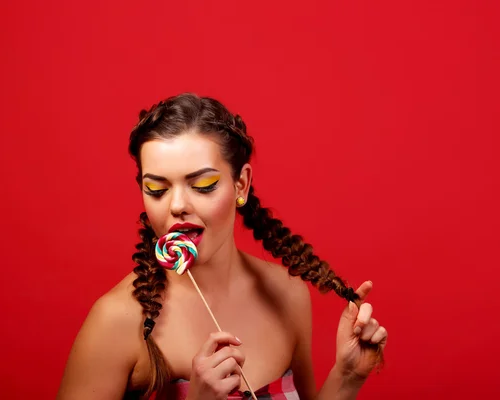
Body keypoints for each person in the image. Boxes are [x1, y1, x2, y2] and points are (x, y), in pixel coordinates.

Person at [56, 93, 388, 400]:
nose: (177, 205)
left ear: (241, 183)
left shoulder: (286, 293)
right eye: (156, 189)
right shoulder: (116, 321)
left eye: (203, 185)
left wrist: (347, 376)